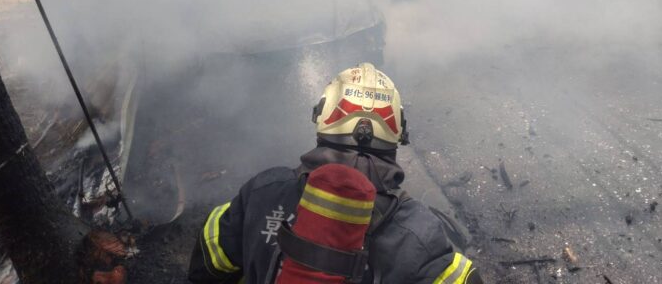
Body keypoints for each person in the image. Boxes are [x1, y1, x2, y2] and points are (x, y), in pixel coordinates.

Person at [188, 62, 484, 284]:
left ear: (323, 117)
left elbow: (208, 263)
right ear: (398, 132)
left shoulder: (264, 191)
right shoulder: (419, 233)